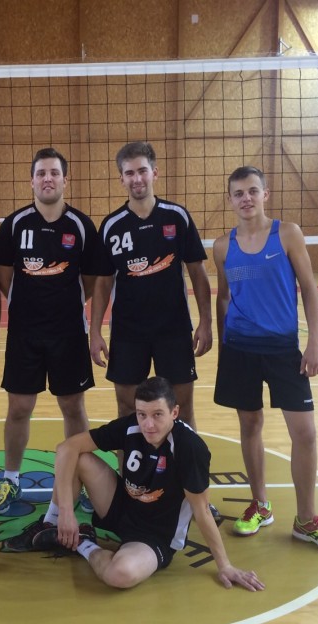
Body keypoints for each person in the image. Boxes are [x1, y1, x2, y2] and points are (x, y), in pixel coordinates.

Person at [2, 376, 264, 592]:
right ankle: (53, 523)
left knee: (120, 574)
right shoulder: (132, 427)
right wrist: (66, 513)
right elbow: (66, 448)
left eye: (158, 415)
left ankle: (82, 543)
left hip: (156, 535)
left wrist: (225, 565)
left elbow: (202, 510)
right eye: (142, 414)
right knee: (77, 456)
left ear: (174, 412)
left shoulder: (189, 448)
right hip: (121, 506)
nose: (148, 424)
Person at [213, 165, 318, 554]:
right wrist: (224, 347)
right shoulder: (222, 246)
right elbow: (223, 297)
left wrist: (315, 342)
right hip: (240, 348)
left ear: (265, 194)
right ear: (230, 199)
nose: (246, 198)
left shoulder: (287, 233)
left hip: (283, 348)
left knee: (305, 433)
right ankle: (260, 505)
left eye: (252, 191)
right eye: (238, 193)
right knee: (250, 424)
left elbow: (309, 287)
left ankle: (306, 520)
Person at [0, 147, 106, 513]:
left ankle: (80, 478)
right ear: (32, 181)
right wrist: (29, 303)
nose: (48, 179)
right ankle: (11, 479)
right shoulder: (14, 225)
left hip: (68, 332)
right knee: (19, 407)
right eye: (41, 173)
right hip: (25, 333)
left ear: (64, 180)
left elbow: (90, 280)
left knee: (73, 405)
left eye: (54, 173)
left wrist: (65, 303)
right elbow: (4, 277)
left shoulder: (81, 226)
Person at [89, 141, 212, 429]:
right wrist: (94, 332)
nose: (137, 178)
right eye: (129, 173)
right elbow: (103, 283)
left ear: (155, 173)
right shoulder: (112, 226)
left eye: (142, 171)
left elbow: (198, 272)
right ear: (121, 179)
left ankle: (183, 460)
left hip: (174, 329)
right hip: (128, 332)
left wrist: (206, 322)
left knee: (182, 407)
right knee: (127, 409)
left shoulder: (177, 217)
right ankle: (131, 460)